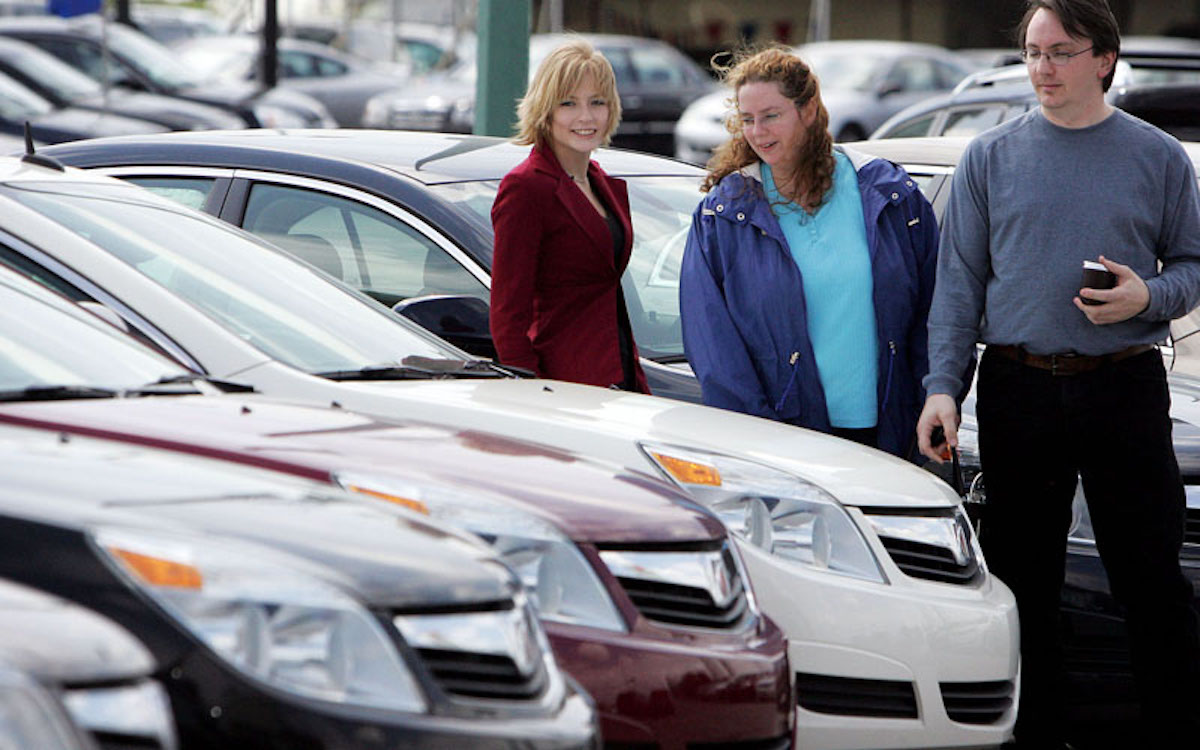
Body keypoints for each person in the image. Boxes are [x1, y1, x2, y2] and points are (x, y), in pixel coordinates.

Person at [915, 0, 1200, 745]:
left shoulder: (1158, 156)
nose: (1042, 68)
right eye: (1033, 53)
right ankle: (1037, 735)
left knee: (1150, 581)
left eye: (1060, 52)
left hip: (1124, 386)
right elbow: (958, 288)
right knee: (1023, 585)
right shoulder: (989, 156)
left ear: (1103, 59)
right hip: (1019, 390)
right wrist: (942, 387)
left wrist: (1149, 296)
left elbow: (1192, 267)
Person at [679, 45, 939, 459]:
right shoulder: (724, 216)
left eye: (772, 116)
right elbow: (713, 345)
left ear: (810, 110)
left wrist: (936, 397)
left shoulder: (888, 195)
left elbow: (934, 312)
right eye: (748, 120)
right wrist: (760, 439)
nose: (759, 132)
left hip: (890, 434)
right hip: (784, 443)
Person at [490, 38, 649, 393]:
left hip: (620, 374)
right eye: (568, 103)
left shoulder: (601, 183)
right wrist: (531, 393)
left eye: (597, 102)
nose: (586, 117)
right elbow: (507, 316)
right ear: (545, 110)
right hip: (562, 386)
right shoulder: (526, 188)